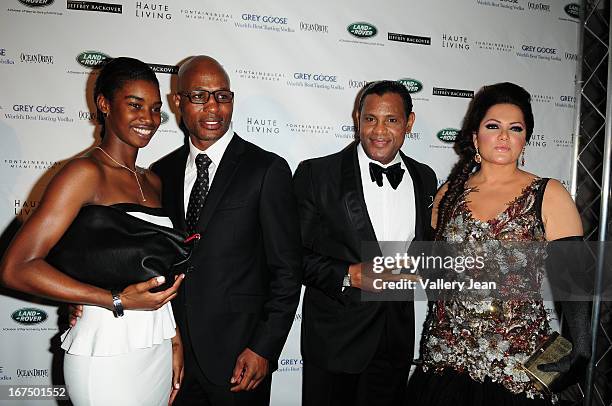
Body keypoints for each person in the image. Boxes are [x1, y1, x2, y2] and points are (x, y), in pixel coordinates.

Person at [0, 57, 185, 405]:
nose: (148, 118)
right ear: (104, 104)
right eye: (135, 105)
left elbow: (157, 274)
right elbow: (16, 268)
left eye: (155, 108)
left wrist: (173, 339)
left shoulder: (154, 180)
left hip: (156, 347)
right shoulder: (84, 174)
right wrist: (115, 300)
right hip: (105, 353)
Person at [408, 82, 590, 405]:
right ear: (476, 137)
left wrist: (582, 347)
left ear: (525, 139)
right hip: (447, 361)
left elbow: (574, 283)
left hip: (516, 367)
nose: (504, 136)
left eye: (515, 128)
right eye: (493, 126)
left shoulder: (549, 194)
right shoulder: (449, 194)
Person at [150, 55, 302, 405]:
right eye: (200, 96)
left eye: (223, 96)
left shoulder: (266, 169)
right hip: (173, 358)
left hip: (240, 361)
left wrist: (264, 348)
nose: (213, 108)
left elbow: (287, 271)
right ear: (178, 102)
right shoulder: (162, 173)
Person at [293, 80, 437, 406]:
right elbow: (290, 255)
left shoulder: (424, 177)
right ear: (357, 117)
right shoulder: (318, 174)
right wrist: (349, 274)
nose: (379, 130)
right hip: (335, 343)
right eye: (370, 118)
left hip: (395, 343)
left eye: (392, 120)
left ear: (409, 123)